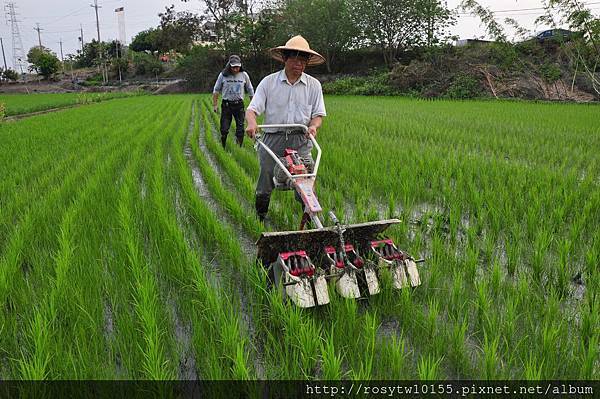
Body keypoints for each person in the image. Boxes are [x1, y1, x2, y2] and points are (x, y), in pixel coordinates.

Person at [245, 35, 326, 221]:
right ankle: (261, 217)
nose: (299, 63)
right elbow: (252, 110)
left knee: (306, 180)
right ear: (284, 58)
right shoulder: (268, 82)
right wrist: (251, 123)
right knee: (266, 178)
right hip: (273, 139)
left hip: (301, 139)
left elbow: (318, 115)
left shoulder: (314, 85)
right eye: (295, 58)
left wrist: (313, 126)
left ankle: (311, 220)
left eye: (303, 59)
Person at [213, 55, 255, 147]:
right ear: (229, 66)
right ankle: (223, 145)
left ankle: (238, 146)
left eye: (237, 67)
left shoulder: (244, 75)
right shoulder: (223, 75)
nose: (236, 69)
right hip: (227, 105)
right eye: (233, 67)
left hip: (239, 105)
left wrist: (253, 105)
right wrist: (215, 105)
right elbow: (216, 90)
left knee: (240, 128)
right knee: (224, 129)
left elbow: (250, 89)